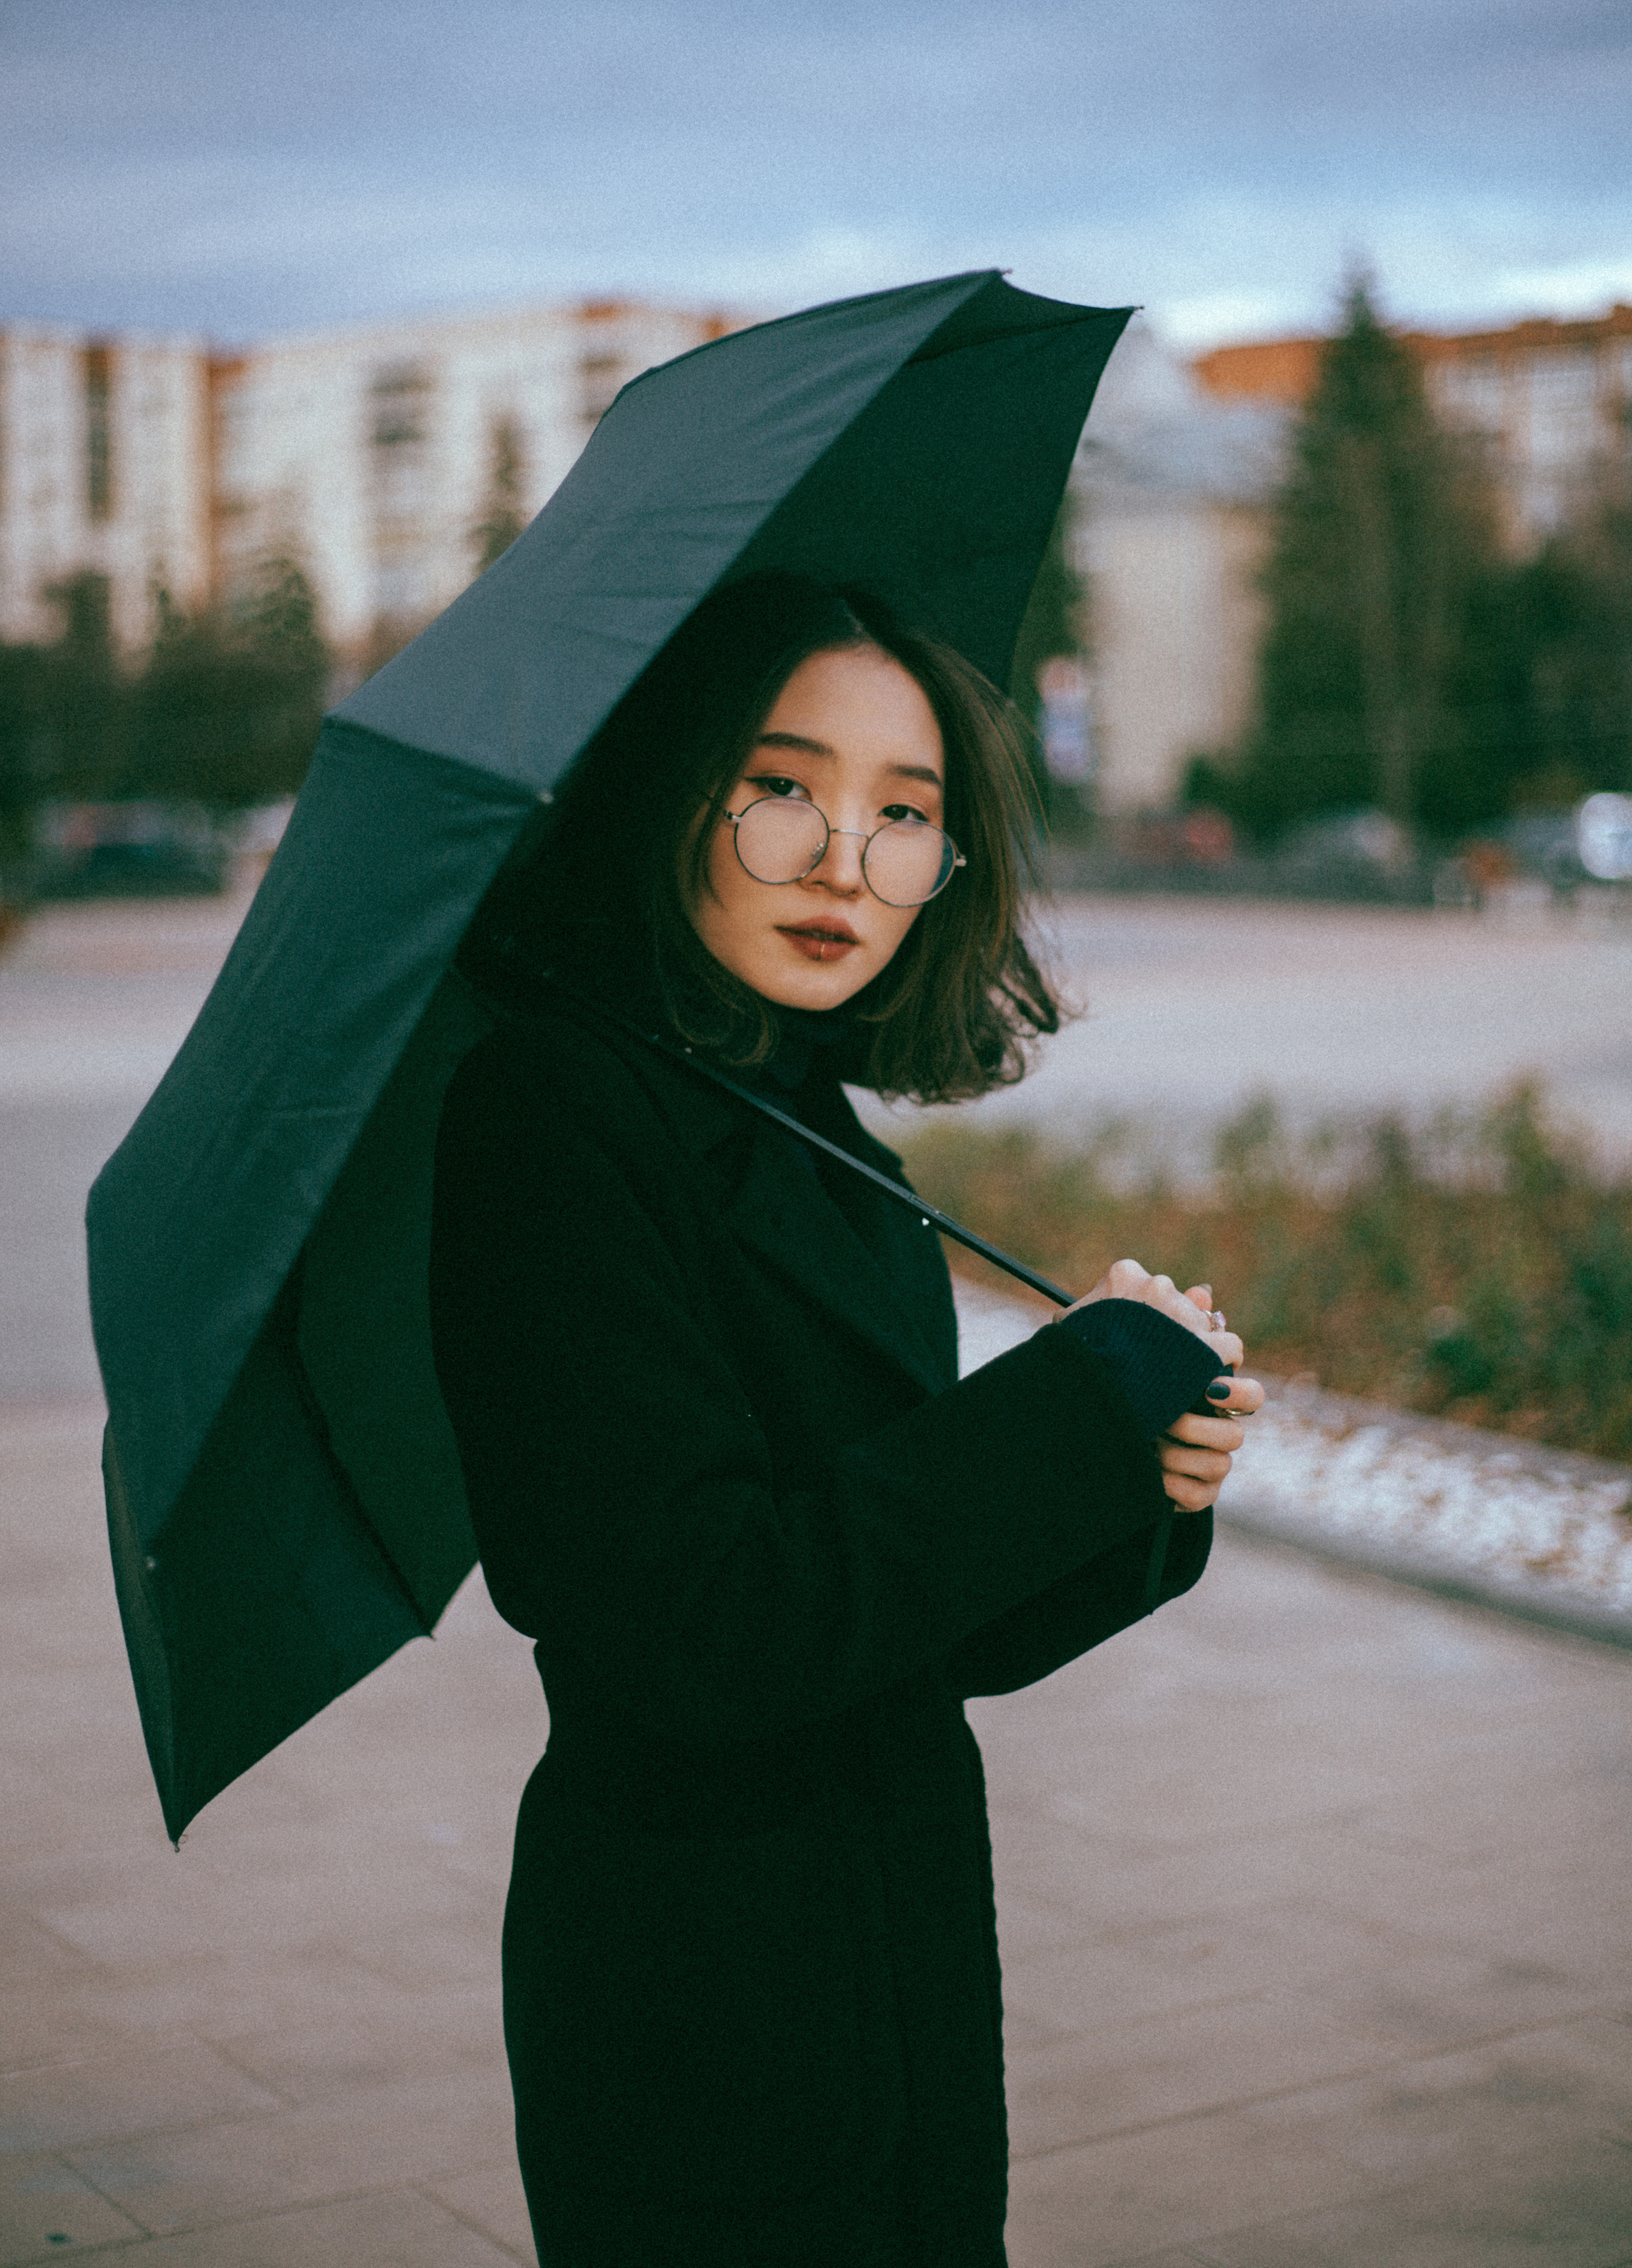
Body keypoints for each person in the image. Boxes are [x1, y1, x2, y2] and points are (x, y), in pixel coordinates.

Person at [431, 572, 1260, 2268]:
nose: (844, 862)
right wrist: (1066, 1404)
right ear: (674, 787)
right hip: (695, 1977)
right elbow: (707, 1620)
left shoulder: (824, 1141)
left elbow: (911, 1620)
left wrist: (1139, 1487)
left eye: (907, 814)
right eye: (786, 786)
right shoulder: (554, 1117)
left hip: (899, 1935)